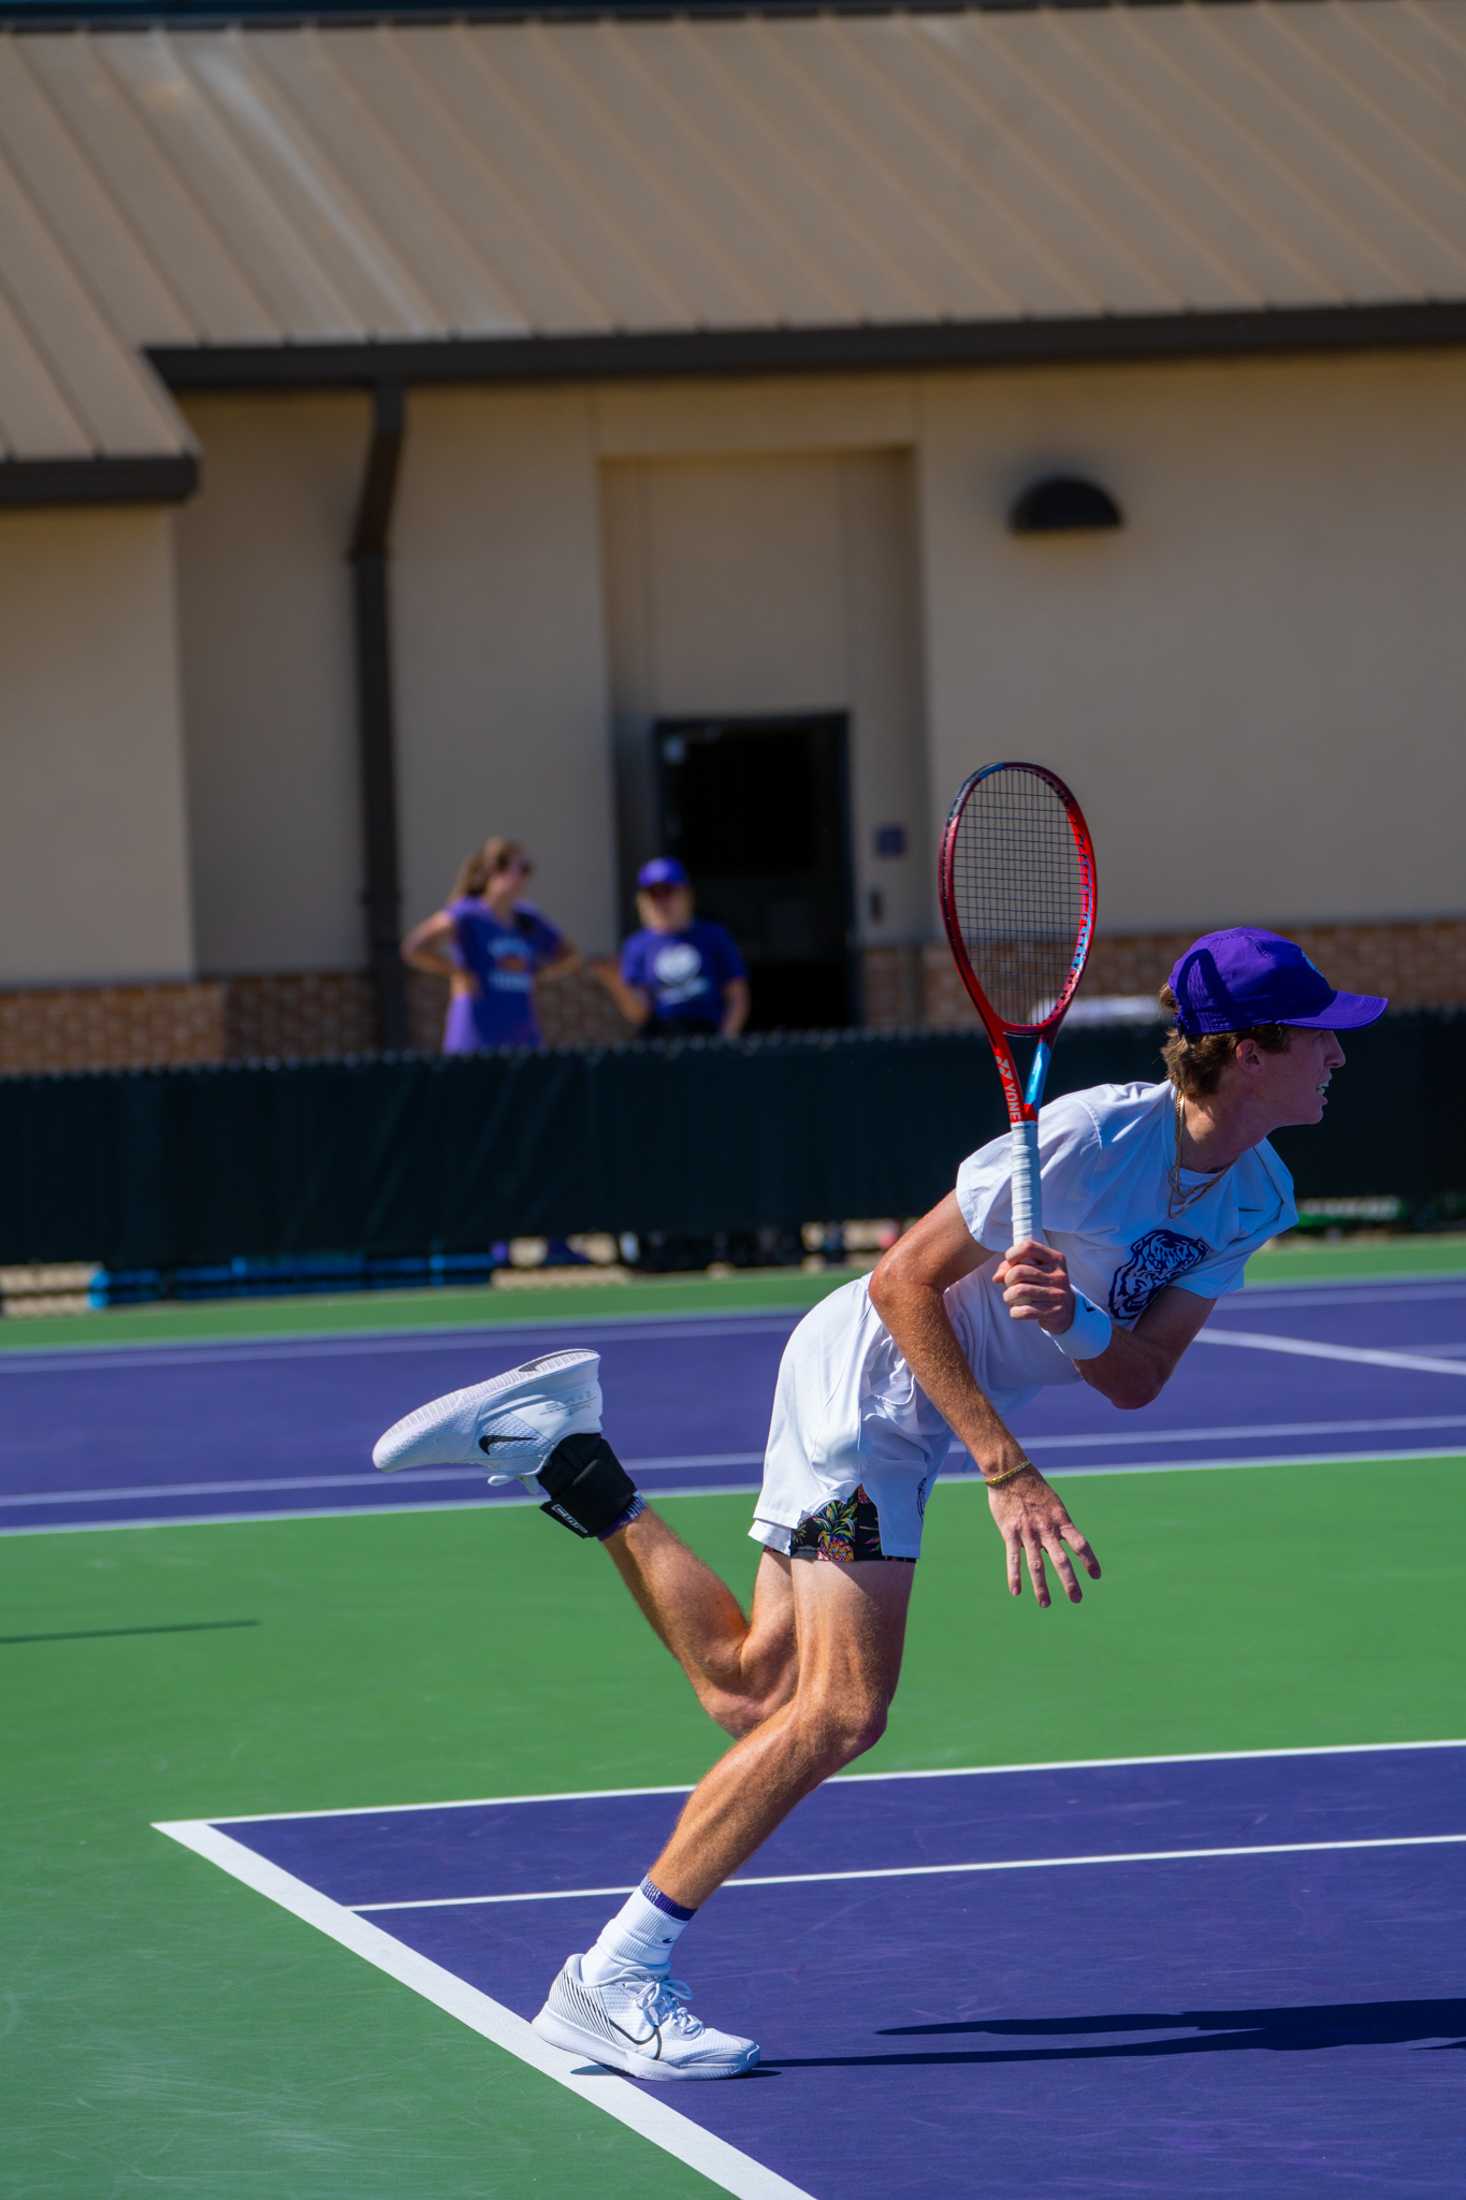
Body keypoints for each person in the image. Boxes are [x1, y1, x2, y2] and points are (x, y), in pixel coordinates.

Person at [373, 926, 1387, 2079]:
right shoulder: (1084, 1138)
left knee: (751, 1686)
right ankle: (610, 1974)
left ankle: (562, 1452)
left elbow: (1139, 1377)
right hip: (873, 1379)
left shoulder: (1256, 1194)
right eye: (1319, 1038)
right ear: (1246, 1052)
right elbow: (899, 1279)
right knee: (842, 1712)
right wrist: (1003, 1466)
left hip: (907, 1402)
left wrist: (1073, 1317)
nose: (1338, 1058)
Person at [400, 837, 579, 1053]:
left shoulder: (528, 918)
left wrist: (537, 971)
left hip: (522, 1035)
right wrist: (459, 972)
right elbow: (415, 947)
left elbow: (570, 955)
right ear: (494, 870)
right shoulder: (467, 913)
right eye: (519, 868)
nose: (524, 877)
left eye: (527, 869)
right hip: (476, 1037)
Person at [592, 858, 749, 1040]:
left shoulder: (714, 936)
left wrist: (725, 1041)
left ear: (687, 894)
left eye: (668, 892)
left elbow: (737, 997)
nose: (662, 902)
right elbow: (639, 1013)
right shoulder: (636, 945)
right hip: (661, 1042)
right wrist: (613, 981)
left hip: (708, 1035)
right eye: (653, 894)